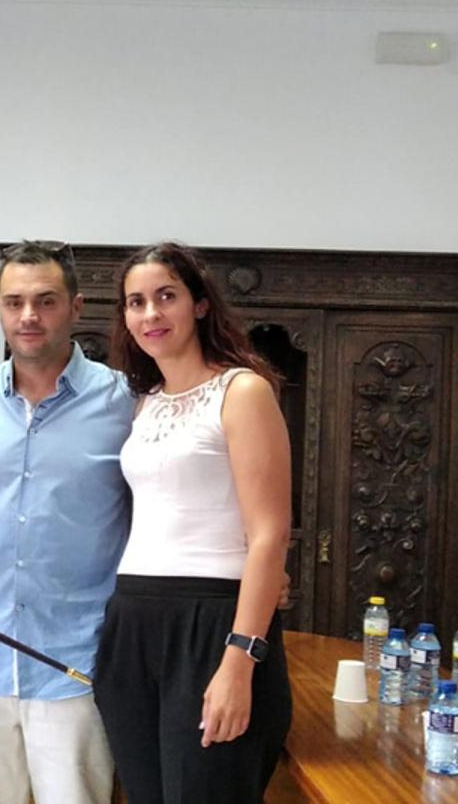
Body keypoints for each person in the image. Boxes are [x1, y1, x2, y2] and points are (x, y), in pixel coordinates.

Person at [92, 241, 293, 803]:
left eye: (166, 296)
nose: (150, 314)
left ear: (200, 304)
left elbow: (270, 534)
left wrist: (240, 659)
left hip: (213, 622)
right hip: (132, 620)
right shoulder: (144, 403)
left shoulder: (242, 391)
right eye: (136, 302)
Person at [0, 241, 133, 804]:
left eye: (46, 301)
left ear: (76, 308)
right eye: (14, 302)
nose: (29, 316)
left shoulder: (124, 403)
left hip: (76, 666)